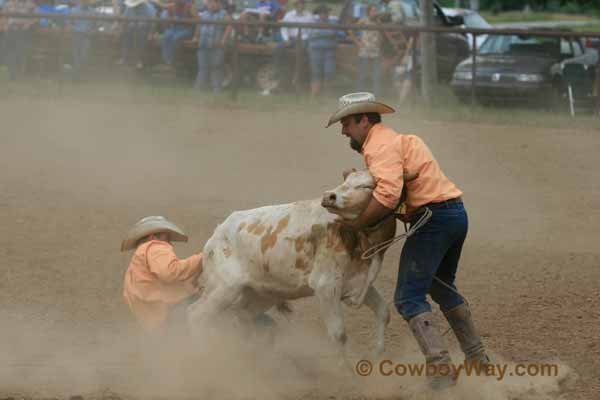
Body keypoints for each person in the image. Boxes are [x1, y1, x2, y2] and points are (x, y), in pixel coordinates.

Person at [326, 92, 490, 390]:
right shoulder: (395, 141)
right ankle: (479, 360)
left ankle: (441, 370)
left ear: (364, 120)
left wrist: (357, 224)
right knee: (440, 287)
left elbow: (387, 196)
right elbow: (392, 189)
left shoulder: (380, 146)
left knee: (407, 297)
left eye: (347, 123)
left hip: (433, 220)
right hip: (453, 214)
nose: (343, 130)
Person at [122, 216, 203, 334]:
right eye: (166, 236)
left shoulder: (133, 270)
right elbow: (170, 272)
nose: (169, 241)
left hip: (157, 326)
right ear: (152, 236)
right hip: (175, 311)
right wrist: (203, 257)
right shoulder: (154, 246)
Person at [270, 0, 312, 93]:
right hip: (291, 39)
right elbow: (284, 28)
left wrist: (304, 38)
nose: (301, 5)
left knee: (300, 53)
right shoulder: (289, 15)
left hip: (303, 39)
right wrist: (286, 39)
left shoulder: (309, 16)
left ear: (304, 5)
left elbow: (310, 31)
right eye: (299, 3)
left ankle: (298, 77)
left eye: (302, 3)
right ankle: (276, 70)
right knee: (278, 48)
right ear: (295, 5)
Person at [192, 0, 231, 92]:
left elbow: (229, 26)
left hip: (216, 45)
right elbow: (199, 26)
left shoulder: (223, 14)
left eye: (213, 2)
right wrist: (195, 37)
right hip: (203, 44)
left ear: (218, 3)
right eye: (209, 3)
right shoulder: (204, 14)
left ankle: (216, 89)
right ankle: (198, 88)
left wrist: (223, 40)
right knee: (202, 67)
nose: (211, 5)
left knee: (216, 67)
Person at [349, 4, 382, 97]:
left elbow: (381, 33)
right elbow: (351, 30)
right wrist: (357, 42)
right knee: (362, 75)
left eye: (376, 11)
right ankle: (359, 95)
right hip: (364, 51)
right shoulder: (364, 20)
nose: (374, 13)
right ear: (369, 12)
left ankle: (376, 96)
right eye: (373, 11)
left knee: (376, 76)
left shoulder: (378, 21)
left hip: (376, 51)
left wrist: (380, 41)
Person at [1, 0, 37, 80]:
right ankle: (10, 71)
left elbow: (35, 18)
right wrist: (4, 27)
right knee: (6, 49)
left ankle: (15, 71)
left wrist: (27, 26)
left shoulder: (30, 4)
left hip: (23, 31)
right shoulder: (8, 3)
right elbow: (2, 16)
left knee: (19, 50)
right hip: (10, 30)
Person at [306, 4, 337, 97]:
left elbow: (334, 33)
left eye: (326, 13)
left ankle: (327, 94)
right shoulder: (313, 23)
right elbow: (311, 34)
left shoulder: (333, 23)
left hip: (329, 50)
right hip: (316, 50)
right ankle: (314, 94)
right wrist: (327, 33)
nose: (324, 15)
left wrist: (319, 33)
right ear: (319, 14)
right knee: (316, 72)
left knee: (329, 72)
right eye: (322, 13)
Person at [118, 0, 157, 69]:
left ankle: (139, 60)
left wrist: (151, 33)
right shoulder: (129, 8)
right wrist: (122, 30)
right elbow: (125, 20)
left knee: (141, 38)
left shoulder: (148, 8)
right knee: (126, 36)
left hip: (143, 29)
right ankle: (125, 58)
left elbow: (153, 23)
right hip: (131, 28)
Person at [159, 0, 197, 69]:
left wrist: (195, 36)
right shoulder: (172, 6)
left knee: (176, 38)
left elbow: (198, 21)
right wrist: (170, 17)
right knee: (166, 35)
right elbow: (168, 17)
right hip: (174, 28)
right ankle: (166, 61)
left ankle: (173, 61)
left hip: (186, 29)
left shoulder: (190, 6)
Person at [69, 0, 97, 80]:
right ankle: (76, 76)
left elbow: (96, 26)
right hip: (76, 35)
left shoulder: (93, 11)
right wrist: (73, 29)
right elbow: (69, 24)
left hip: (87, 36)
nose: (85, 2)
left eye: (86, 1)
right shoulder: (73, 10)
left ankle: (77, 75)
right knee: (76, 57)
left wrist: (92, 31)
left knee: (84, 56)